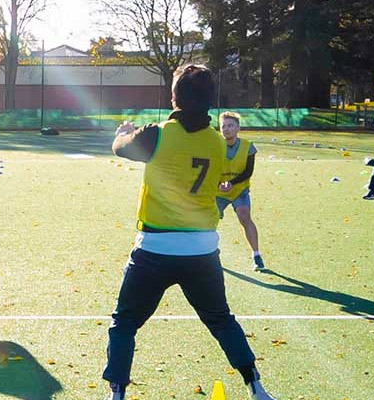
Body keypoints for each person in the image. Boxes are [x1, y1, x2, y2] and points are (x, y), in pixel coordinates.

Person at [104, 65, 277, 400]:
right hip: (201, 251)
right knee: (222, 321)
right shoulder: (217, 142)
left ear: (174, 97)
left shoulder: (158, 134)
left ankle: (117, 393)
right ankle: (255, 385)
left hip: (155, 248)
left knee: (124, 323)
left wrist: (122, 132)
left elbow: (121, 148)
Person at [214, 111, 266, 272]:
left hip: (239, 189)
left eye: (230, 126)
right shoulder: (214, 145)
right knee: (209, 222)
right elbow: (209, 169)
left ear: (238, 128)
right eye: (223, 126)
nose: (226, 129)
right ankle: (211, 253)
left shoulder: (248, 147)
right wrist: (218, 184)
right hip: (217, 191)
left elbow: (248, 171)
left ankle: (256, 255)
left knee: (244, 216)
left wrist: (231, 183)